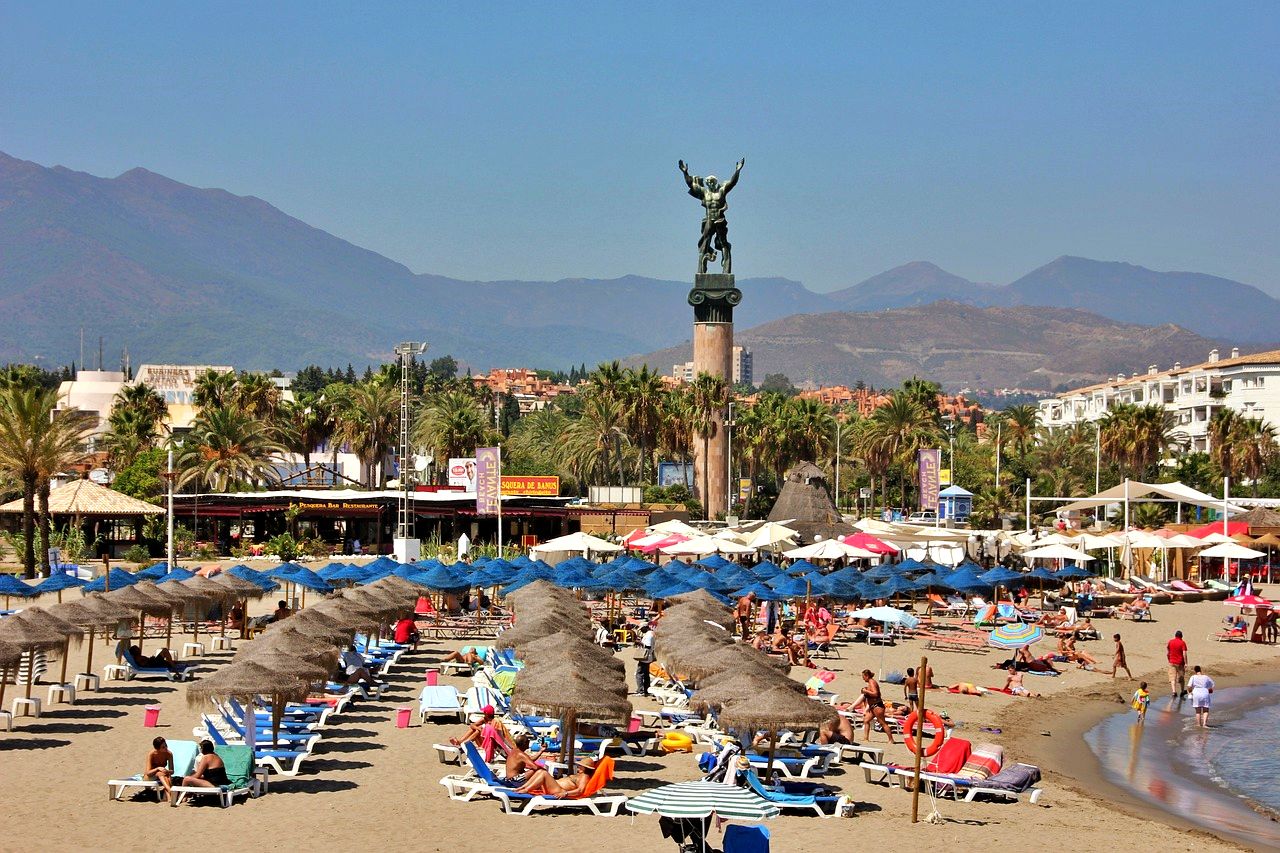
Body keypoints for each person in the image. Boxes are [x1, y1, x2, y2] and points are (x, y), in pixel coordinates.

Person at [174, 740, 228, 806]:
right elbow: (212, 774)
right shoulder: (216, 756)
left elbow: (197, 775)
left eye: (201, 748)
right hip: (223, 782)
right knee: (193, 779)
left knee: (186, 779)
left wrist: (188, 778)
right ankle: (185, 796)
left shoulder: (206, 757)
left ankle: (181, 798)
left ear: (203, 749)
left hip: (215, 785)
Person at [513, 756, 597, 796]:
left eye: (581, 766)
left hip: (558, 791)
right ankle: (523, 787)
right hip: (555, 788)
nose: (579, 766)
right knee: (540, 771)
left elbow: (580, 790)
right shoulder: (580, 775)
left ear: (585, 768)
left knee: (544, 773)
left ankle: (526, 789)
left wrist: (565, 793)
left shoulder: (584, 777)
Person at [859, 669, 897, 744]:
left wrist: (866, 691)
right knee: (866, 720)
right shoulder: (870, 683)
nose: (863, 678)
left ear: (867, 676)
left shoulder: (872, 682)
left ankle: (891, 739)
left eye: (863, 677)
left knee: (883, 723)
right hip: (873, 706)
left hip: (877, 706)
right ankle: (866, 738)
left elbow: (875, 694)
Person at [143, 736, 175, 803]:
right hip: (149, 776)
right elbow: (148, 773)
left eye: (166, 745)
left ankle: (169, 797)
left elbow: (172, 771)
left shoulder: (169, 754)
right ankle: (170, 791)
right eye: (163, 747)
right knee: (161, 773)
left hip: (162, 775)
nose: (166, 748)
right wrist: (157, 768)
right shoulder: (151, 754)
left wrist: (167, 771)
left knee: (166, 774)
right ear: (157, 749)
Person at [1167, 630, 1189, 699]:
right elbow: (1184, 654)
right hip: (1180, 663)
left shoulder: (1170, 642)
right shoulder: (1182, 643)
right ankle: (1182, 691)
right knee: (1181, 677)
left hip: (1172, 662)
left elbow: (1168, 652)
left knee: (1172, 677)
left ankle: (1174, 692)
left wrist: (1169, 659)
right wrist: (1186, 663)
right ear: (1181, 636)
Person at [635, 623, 656, 696]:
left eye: (641, 629)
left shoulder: (648, 636)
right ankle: (647, 689)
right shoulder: (651, 633)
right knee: (646, 674)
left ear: (645, 627)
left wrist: (639, 643)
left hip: (645, 657)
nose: (641, 630)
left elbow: (648, 647)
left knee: (639, 674)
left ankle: (640, 690)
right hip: (648, 657)